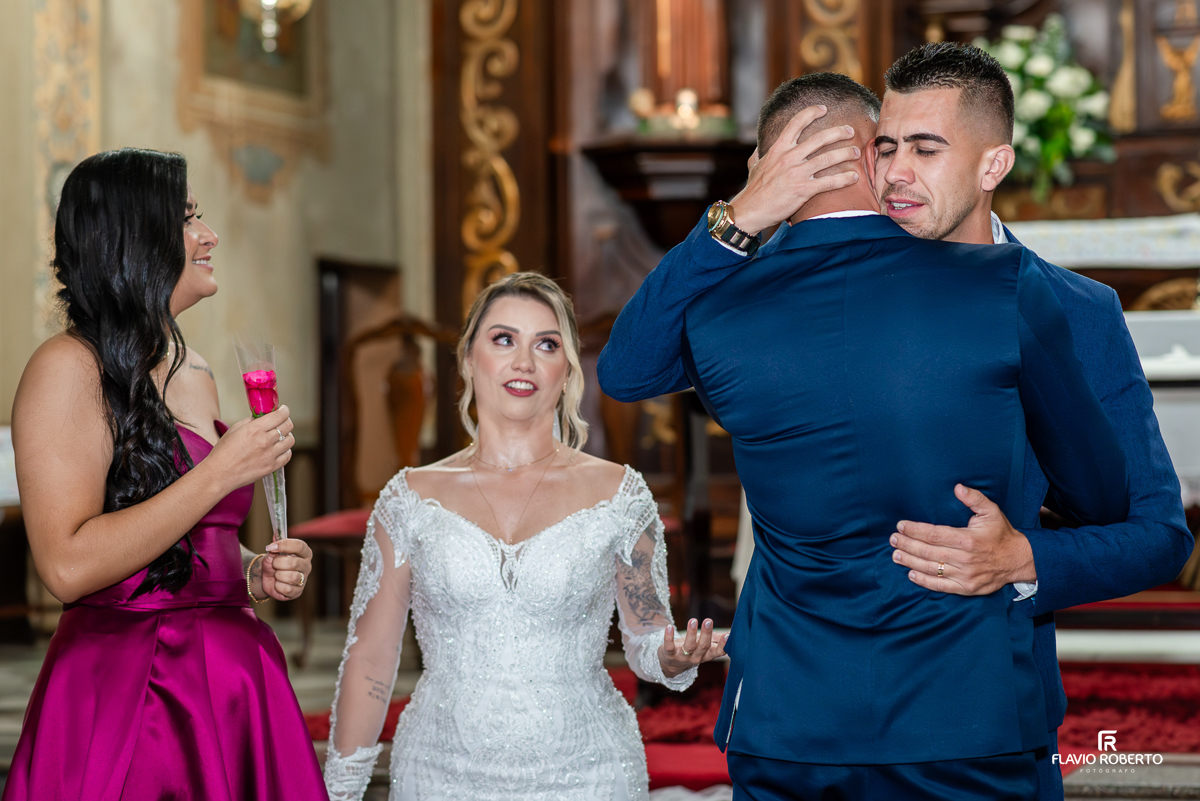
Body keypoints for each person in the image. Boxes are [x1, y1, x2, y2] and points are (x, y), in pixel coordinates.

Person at [600, 43, 1192, 800]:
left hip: (880, 712)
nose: (899, 170)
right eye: (887, 146)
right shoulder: (756, 304)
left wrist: (1024, 560)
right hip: (892, 724)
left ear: (992, 165)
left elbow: (1156, 532)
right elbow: (632, 370)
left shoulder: (1073, 306)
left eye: (923, 147)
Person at [322, 272, 726, 801]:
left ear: (567, 370)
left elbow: (647, 636)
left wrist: (672, 656)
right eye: (504, 339)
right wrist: (342, 787)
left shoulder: (620, 495)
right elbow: (371, 659)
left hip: (587, 771)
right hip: (442, 772)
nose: (524, 362)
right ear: (469, 357)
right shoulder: (409, 499)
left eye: (547, 344)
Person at [4, 148, 327, 801]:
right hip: (133, 691)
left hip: (236, 682)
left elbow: (190, 541)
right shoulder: (65, 368)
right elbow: (65, 564)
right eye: (186, 220)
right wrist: (220, 472)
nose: (207, 236)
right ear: (132, 238)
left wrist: (252, 569)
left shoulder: (194, 369)